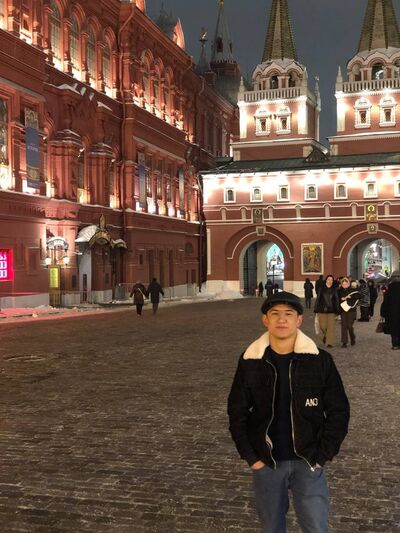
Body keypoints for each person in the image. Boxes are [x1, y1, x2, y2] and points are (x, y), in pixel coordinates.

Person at [227, 291, 350, 533]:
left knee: (316, 527)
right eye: (275, 314)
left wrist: (322, 455)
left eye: (288, 314)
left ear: (299, 320)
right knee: (271, 528)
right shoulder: (250, 361)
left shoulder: (320, 360)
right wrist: (252, 458)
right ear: (266, 320)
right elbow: (237, 410)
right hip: (267, 462)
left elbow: (339, 410)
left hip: (308, 461)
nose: (281, 319)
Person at [314, 274, 340, 347]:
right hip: (322, 309)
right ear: (326, 280)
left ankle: (329, 342)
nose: (330, 281)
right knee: (322, 326)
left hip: (332, 310)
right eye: (328, 279)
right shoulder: (321, 289)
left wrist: (338, 310)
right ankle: (326, 336)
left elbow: (337, 300)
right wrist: (316, 308)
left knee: (330, 327)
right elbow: (318, 299)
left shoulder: (335, 289)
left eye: (331, 280)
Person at [338, 277, 361, 347]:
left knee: (349, 326)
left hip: (351, 310)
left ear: (348, 284)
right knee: (344, 326)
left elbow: (360, 295)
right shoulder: (339, 291)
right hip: (343, 309)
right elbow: (336, 299)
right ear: (341, 284)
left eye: (346, 284)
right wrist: (341, 299)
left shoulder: (352, 290)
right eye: (343, 284)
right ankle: (344, 342)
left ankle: (352, 337)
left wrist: (351, 297)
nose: (344, 285)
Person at [380, 270, 400, 350]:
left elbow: (385, 303)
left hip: (392, 313)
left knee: (394, 328)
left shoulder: (389, 290)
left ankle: (395, 345)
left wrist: (382, 313)